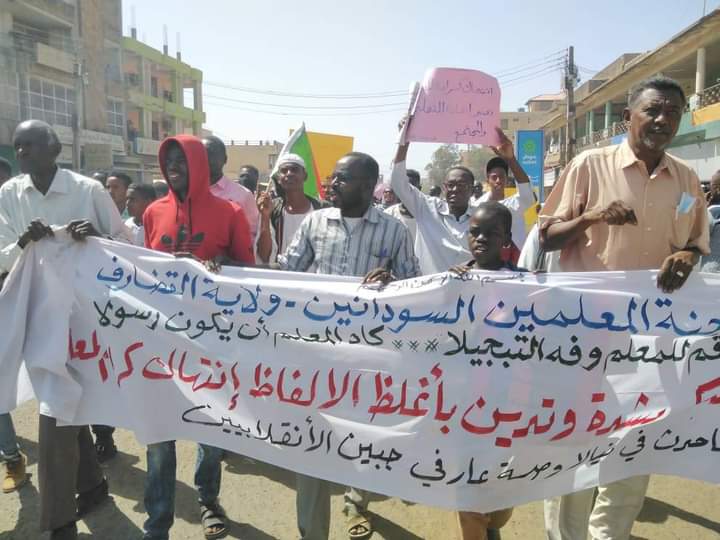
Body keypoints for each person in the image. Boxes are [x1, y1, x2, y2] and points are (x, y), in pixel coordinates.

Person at [540, 76, 709, 540]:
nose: (663, 120)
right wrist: (593, 216)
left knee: (635, 445)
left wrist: (686, 256)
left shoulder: (688, 178)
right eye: (653, 110)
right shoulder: (589, 165)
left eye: (672, 112)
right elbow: (546, 236)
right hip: (582, 337)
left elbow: (697, 246)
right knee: (576, 443)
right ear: (628, 117)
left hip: (650, 342)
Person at [278, 151, 419, 540]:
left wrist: (393, 282)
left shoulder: (395, 232)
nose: (330, 185)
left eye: (340, 179)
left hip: (367, 363)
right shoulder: (314, 223)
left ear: (366, 185)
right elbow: (284, 275)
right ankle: (312, 533)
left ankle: (357, 501)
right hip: (317, 357)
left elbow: (415, 291)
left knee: (364, 444)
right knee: (311, 444)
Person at [0, 120, 130, 540]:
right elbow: (2, 253)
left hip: (85, 319)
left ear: (54, 148)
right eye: (17, 147)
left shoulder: (87, 191)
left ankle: (61, 518)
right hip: (37, 318)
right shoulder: (9, 194)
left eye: (30, 145)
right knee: (60, 406)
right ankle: (86, 493)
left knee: (58, 412)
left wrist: (95, 238)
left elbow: (125, 244)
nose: (22, 153)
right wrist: (22, 242)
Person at [141, 134, 255, 540]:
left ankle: (208, 502)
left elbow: (249, 273)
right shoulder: (153, 213)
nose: (173, 164)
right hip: (162, 343)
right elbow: (143, 273)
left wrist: (225, 266)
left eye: (182, 158)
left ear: (199, 163)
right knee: (158, 435)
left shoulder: (229, 212)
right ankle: (157, 522)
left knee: (210, 426)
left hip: (212, 343)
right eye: (167, 158)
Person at [449, 203, 522, 540]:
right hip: (462, 408)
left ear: (505, 238)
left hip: (509, 406)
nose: (479, 239)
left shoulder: (525, 286)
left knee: (499, 506)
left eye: (489, 233)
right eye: (474, 232)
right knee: (471, 498)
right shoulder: (451, 281)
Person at [390, 129, 478, 275]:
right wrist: (405, 140)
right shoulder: (427, 208)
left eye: (461, 185)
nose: (455, 189)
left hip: (469, 292)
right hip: (430, 291)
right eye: (450, 185)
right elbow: (398, 180)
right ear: (444, 188)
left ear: (472, 190)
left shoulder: (480, 217)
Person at [256, 153, 327, 264]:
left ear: (305, 176)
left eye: (294, 170)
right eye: (284, 171)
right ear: (279, 179)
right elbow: (264, 256)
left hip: (315, 279)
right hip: (282, 278)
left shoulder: (323, 209)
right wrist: (265, 216)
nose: (289, 174)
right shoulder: (272, 208)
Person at [477, 131, 536, 258]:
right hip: (489, 264)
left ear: (506, 179)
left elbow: (526, 189)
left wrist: (511, 159)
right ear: (487, 180)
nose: (498, 180)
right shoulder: (477, 207)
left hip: (517, 263)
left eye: (502, 177)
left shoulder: (515, 204)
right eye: (494, 177)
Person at [203, 135, 260, 239]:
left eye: (211, 153)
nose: (206, 157)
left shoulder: (243, 195)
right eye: (201, 153)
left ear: (225, 159)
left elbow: (253, 235)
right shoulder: (188, 192)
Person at [385, 168, 421, 245]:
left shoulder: (429, 216)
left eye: (411, 187)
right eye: (403, 186)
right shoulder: (388, 215)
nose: (406, 191)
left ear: (419, 189)